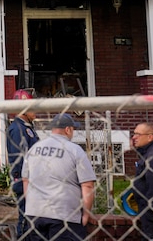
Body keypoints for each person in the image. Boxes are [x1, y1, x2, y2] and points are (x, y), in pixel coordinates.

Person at [22, 113, 96, 241]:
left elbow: (26, 181)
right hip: (65, 214)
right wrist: (86, 214)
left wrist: (32, 204)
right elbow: (87, 185)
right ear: (68, 129)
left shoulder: (34, 149)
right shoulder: (75, 150)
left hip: (35, 213)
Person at [7, 89, 39, 238]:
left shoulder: (27, 128)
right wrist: (25, 182)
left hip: (32, 181)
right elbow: (19, 159)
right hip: (25, 182)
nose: (36, 111)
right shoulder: (18, 129)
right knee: (25, 221)